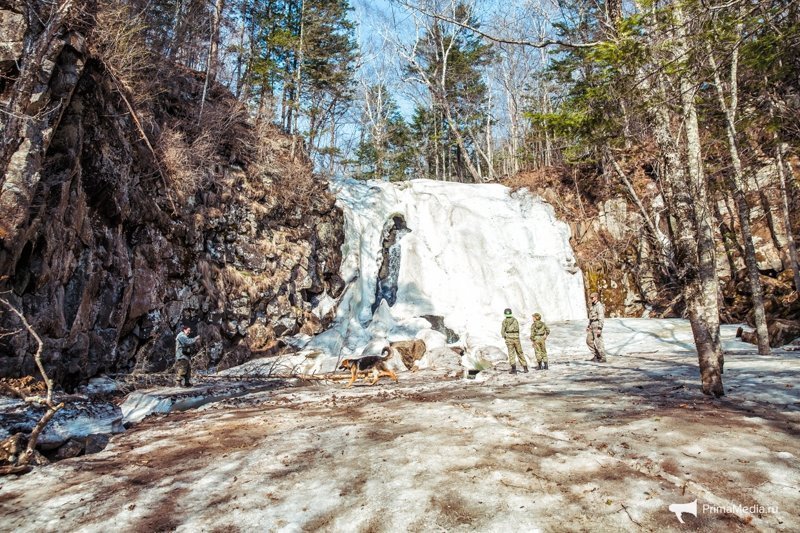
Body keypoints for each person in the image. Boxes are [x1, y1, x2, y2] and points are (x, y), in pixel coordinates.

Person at [501, 308, 528, 374]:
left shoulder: (504, 321)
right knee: (520, 352)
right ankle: (525, 368)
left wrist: (506, 337)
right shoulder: (515, 320)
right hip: (516, 338)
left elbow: (502, 332)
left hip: (509, 338)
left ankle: (514, 369)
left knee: (511, 353)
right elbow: (518, 329)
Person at [586, 292, 607, 362]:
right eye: (590, 298)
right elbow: (591, 316)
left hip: (597, 324)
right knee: (588, 341)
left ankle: (603, 357)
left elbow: (601, 318)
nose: (591, 299)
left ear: (596, 297)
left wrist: (600, 328)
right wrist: (589, 325)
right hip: (592, 325)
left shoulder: (599, 306)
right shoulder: (593, 305)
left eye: (592, 298)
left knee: (598, 342)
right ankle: (596, 355)